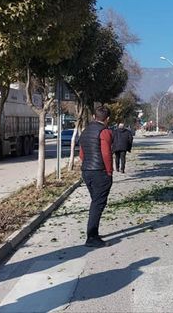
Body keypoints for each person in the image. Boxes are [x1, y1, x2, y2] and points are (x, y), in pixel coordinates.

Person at [79, 106, 114, 247]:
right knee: (98, 203)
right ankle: (92, 237)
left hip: (86, 171)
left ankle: (93, 232)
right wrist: (109, 171)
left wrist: (87, 165)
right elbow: (106, 153)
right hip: (100, 172)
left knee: (96, 202)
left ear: (94, 116)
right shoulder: (104, 132)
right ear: (107, 119)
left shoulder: (85, 131)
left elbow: (82, 154)